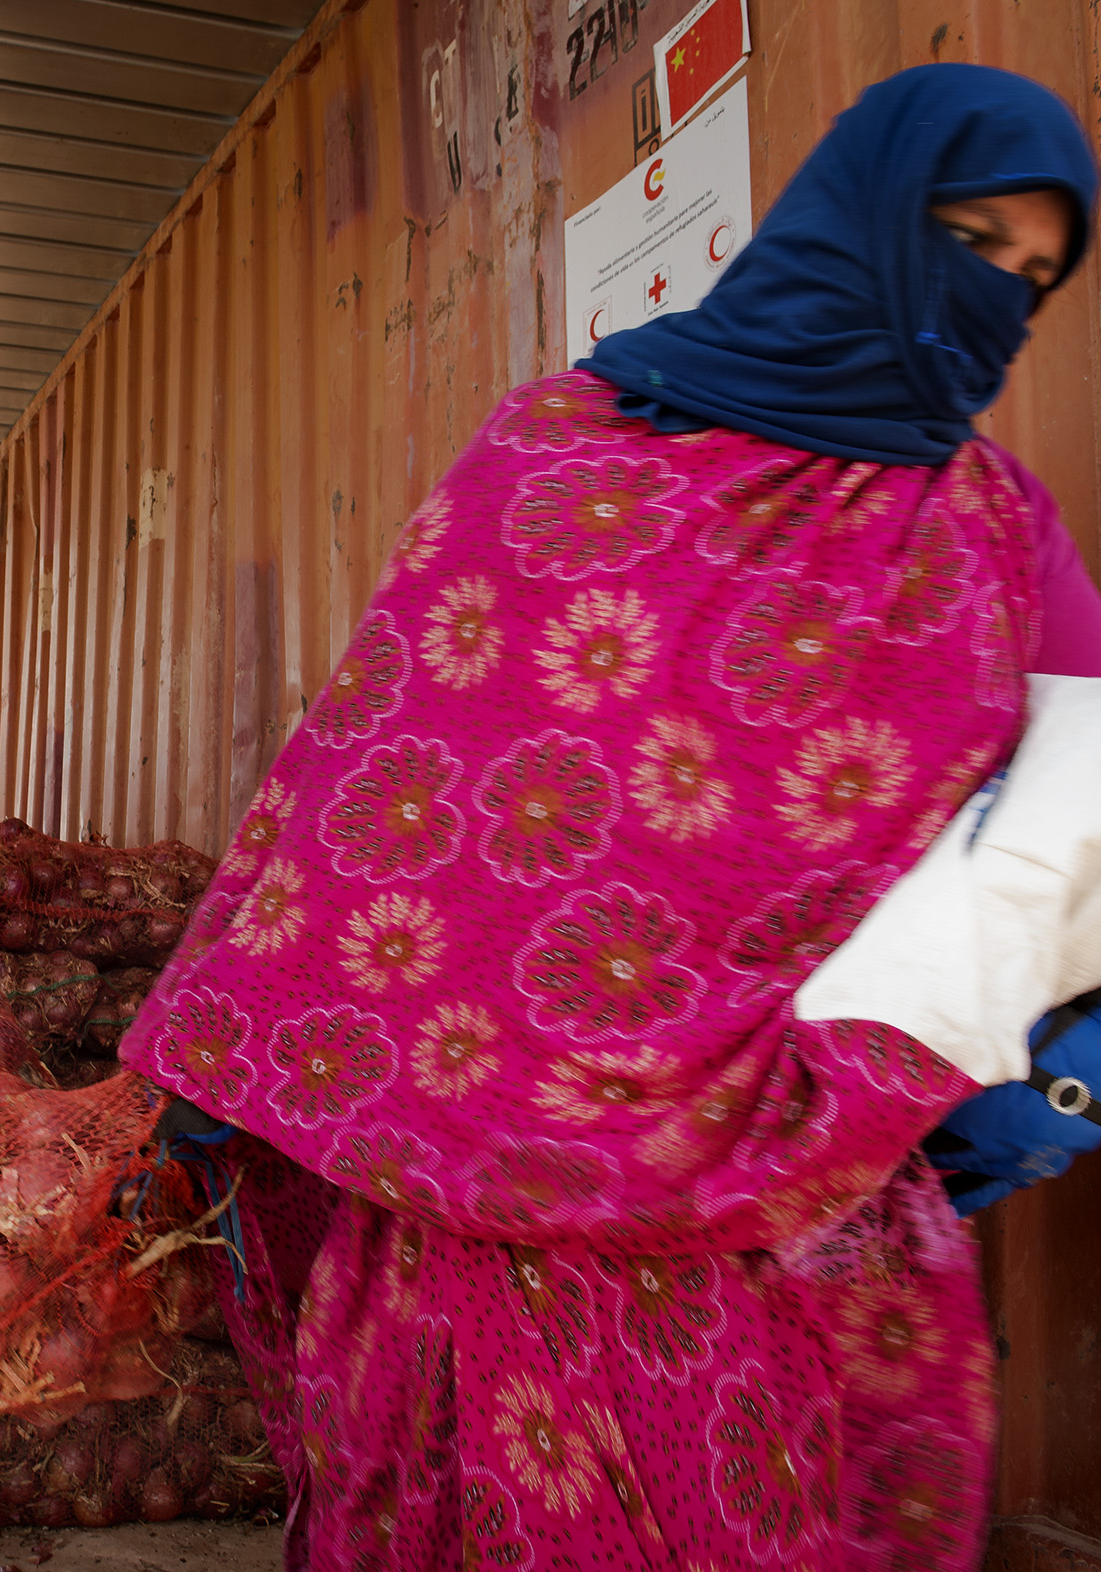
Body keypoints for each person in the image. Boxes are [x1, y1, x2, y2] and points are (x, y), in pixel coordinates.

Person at [119, 65, 1101, 1571]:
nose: (992, 306)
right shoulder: (561, 450)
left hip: (800, 1188)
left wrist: (1031, 1056)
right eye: (971, 243)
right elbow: (392, 768)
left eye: (1033, 281)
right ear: (861, 219)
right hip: (477, 1194)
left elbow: (1079, 789)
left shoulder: (991, 525)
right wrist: (240, 1028)